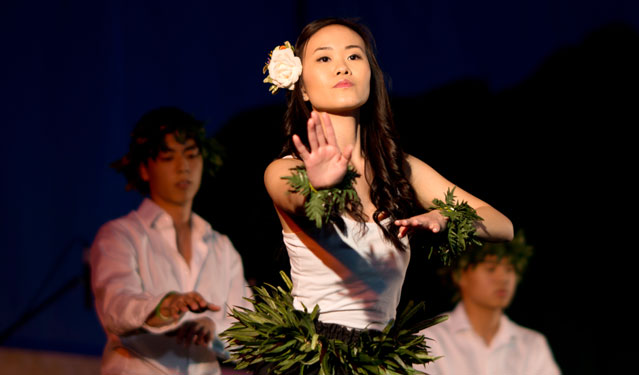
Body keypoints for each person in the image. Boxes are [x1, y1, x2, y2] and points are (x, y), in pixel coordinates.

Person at [257, 18, 513, 374]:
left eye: (354, 56)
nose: (343, 66)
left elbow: (503, 226)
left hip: (378, 360)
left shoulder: (400, 169)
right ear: (301, 87)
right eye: (324, 59)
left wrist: (446, 217)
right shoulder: (285, 169)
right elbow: (295, 198)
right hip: (314, 360)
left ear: (370, 75)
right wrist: (319, 184)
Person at [89, 107, 251, 375]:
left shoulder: (222, 247)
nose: (183, 167)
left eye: (191, 155)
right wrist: (162, 306)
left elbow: (247, 331)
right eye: (168, 157)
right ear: (144, 169)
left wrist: (214, 329)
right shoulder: (120, 235)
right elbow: (115, 307)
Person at [420, 233, 560, 375]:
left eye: (509, 269)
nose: (503, 278)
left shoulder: (531, 343)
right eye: (490, 269)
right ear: (460, 275)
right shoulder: (431, 339)